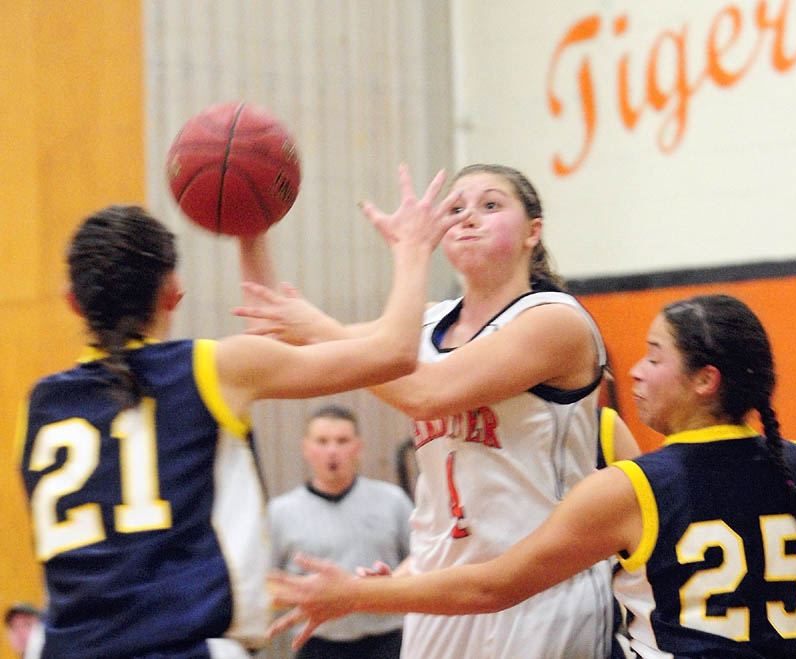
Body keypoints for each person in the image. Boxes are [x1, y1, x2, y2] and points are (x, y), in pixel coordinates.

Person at [14, 165, 461, 659]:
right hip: (185, 648)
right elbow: (395, 353)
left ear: (74, 302)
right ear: (173, 291)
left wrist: (252, 236)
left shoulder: (40, 405)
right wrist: (414, 250)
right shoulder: (209, 369)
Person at [238, 164, 641, 658]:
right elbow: (280, 335)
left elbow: (426, 392)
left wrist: (397, 265)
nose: (467, 217)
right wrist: (249, 224)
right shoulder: (426, 322)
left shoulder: (554, 320)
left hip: (538, 599)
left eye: (490, 205)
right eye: (455, 209)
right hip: (440, 600)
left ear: (533, 232)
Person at [266, 293, 796, 658]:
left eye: (655, 357)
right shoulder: (791, 463)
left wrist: (355, 596)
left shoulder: (632, 485)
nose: (634, 370)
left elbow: (490, 586)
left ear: (706, 380)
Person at [269, 404, 412, 658]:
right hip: (316, 645)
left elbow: (423, 558)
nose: (332, 451)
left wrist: (378, 591)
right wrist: (310, 592)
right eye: (322, 441)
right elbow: (265, 584)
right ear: (306, 449)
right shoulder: (280, 512)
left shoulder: (393, 501)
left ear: (358, 447)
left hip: (387, 642)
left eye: (342, 441)